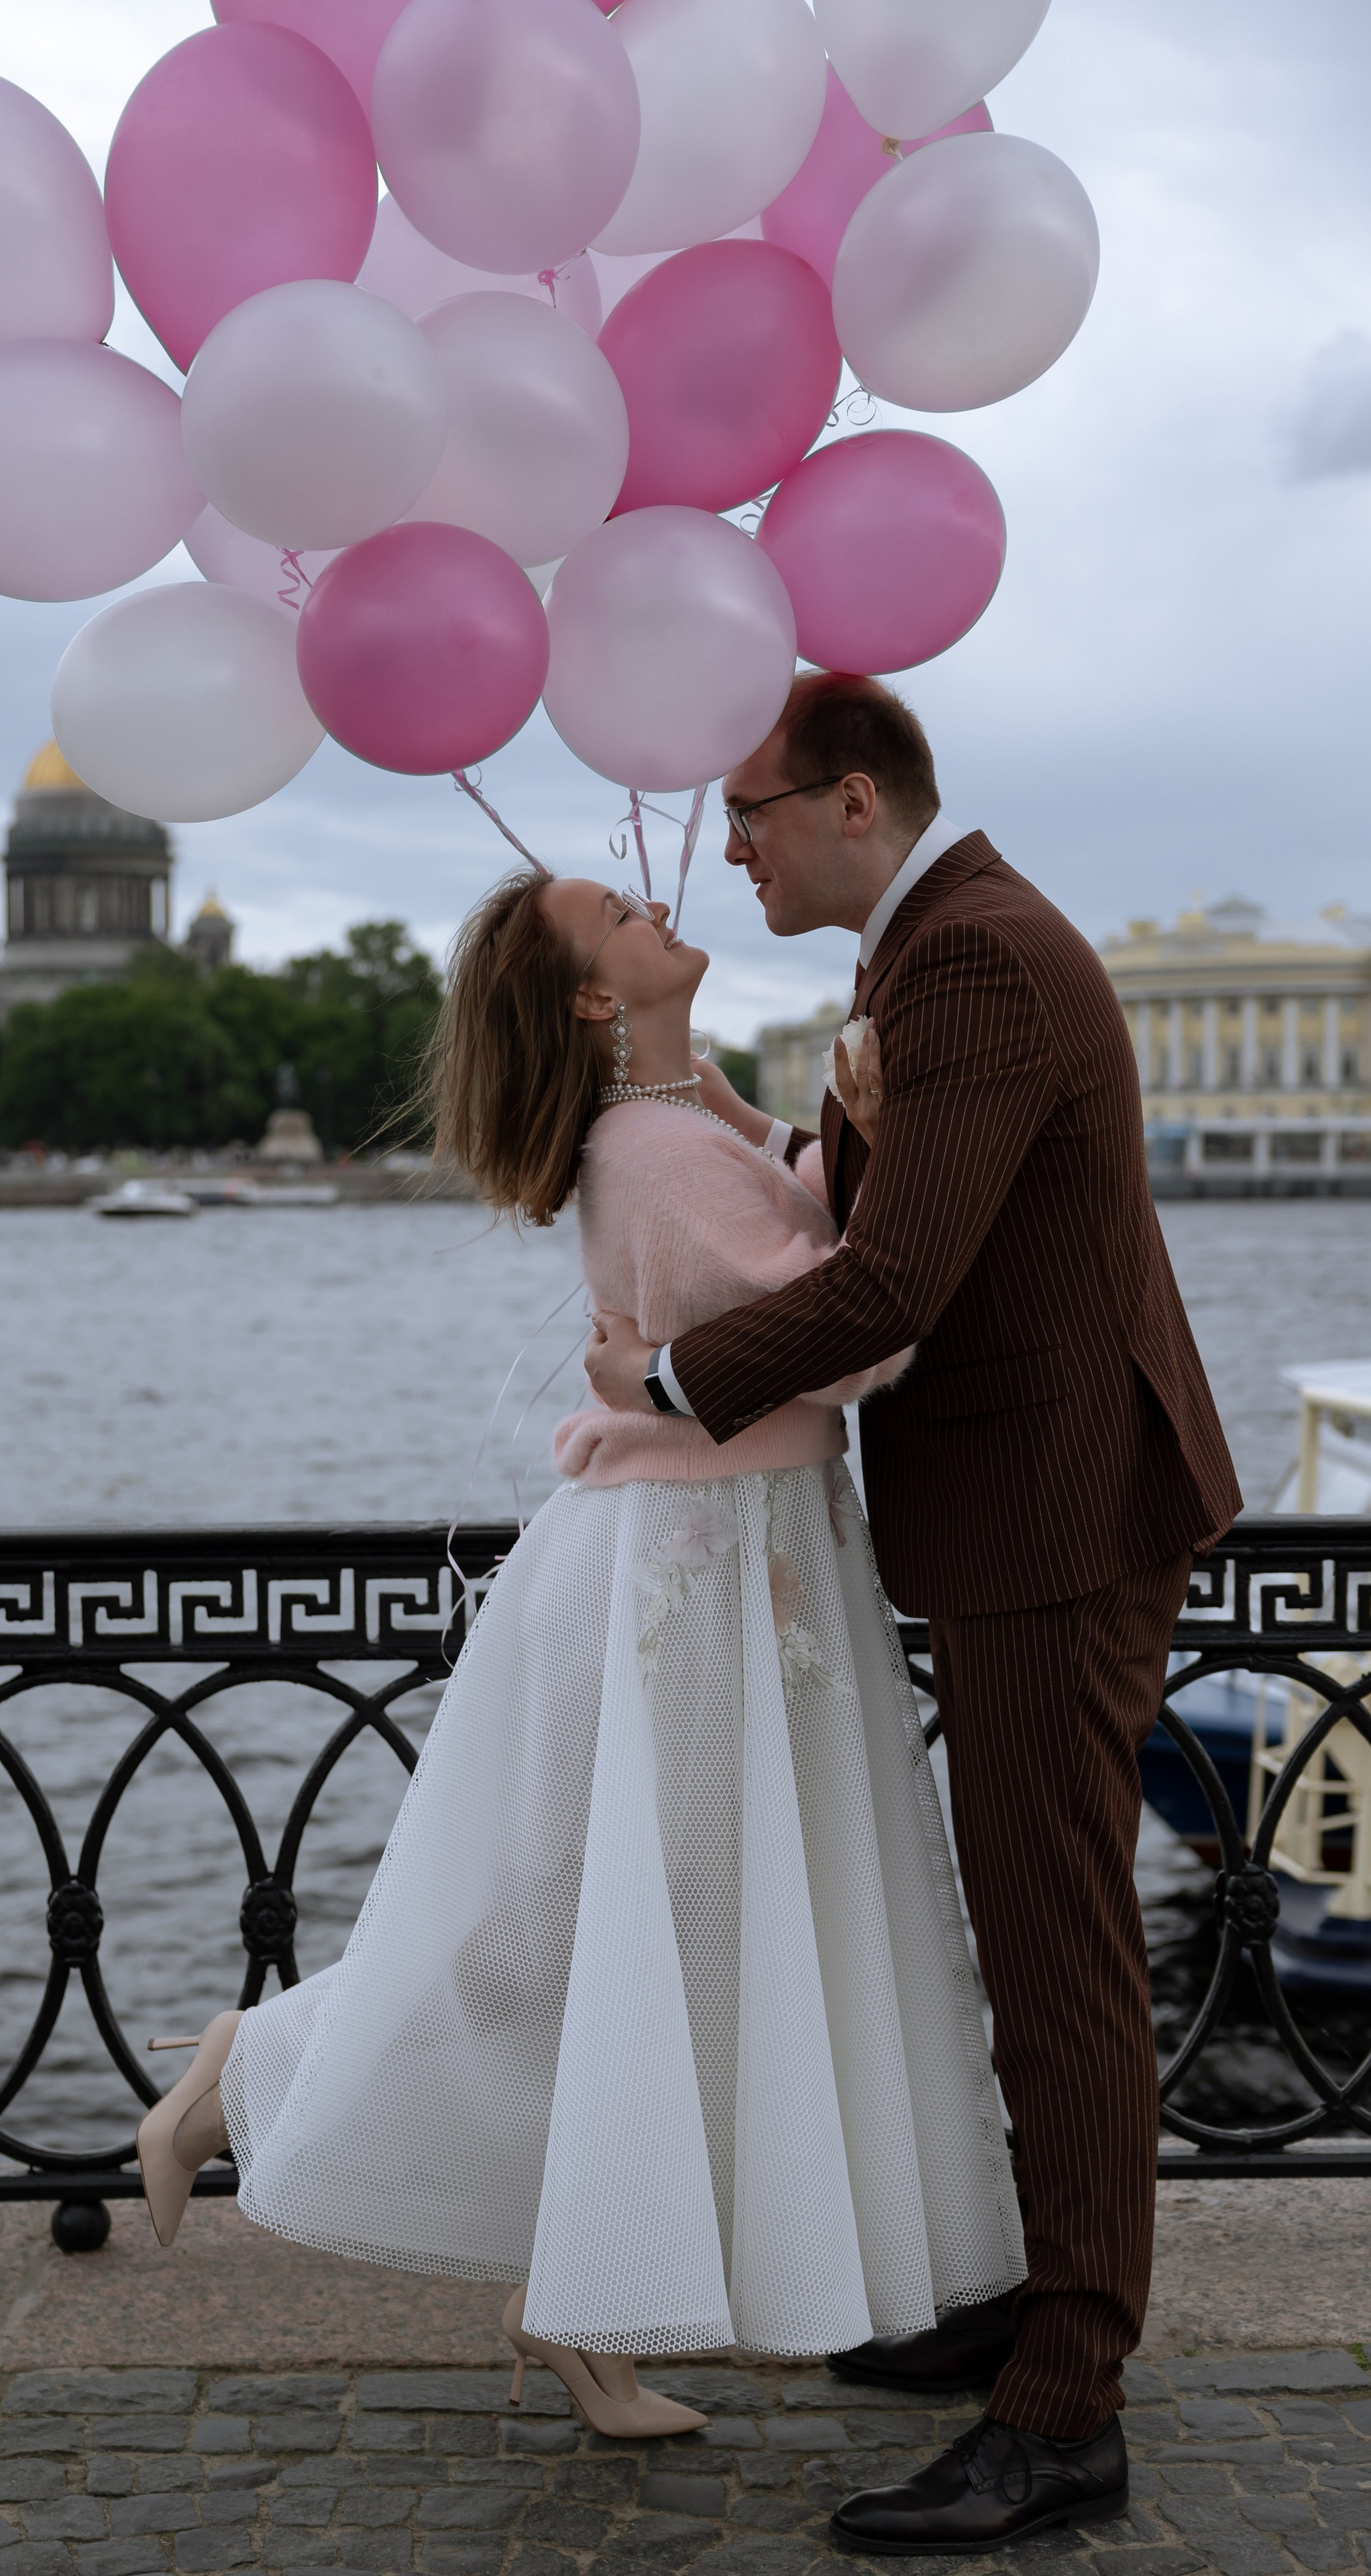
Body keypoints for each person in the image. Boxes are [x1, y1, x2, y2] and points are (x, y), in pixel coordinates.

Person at [136, 860, 1026, 2445]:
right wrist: (862, 1169)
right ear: (596, 1002)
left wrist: (850, 1134)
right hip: (697, 1574)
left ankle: (561, 2294)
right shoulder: (654, 1148)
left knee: (625, 1932)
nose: (658, 902)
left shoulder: (695, 1121)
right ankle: (264, 2084)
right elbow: (866, 1324)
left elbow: (799, 1237)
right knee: (620, 1934)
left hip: (723, 1562)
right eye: (619, 914)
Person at [585, 672, 1242, 2554]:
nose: (728, 845)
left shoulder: (967, 960)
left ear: (852, 802)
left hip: (1056, 1520)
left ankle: (1065, 2410)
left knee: (1059, 1957)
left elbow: (890, 1291)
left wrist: (660, 1385)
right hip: (1037, 1508)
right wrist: (818, 1123)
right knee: (1038, 1938)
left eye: (753, 813)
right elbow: (906, 1218)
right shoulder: (937, 946)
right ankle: (1041, 2307)